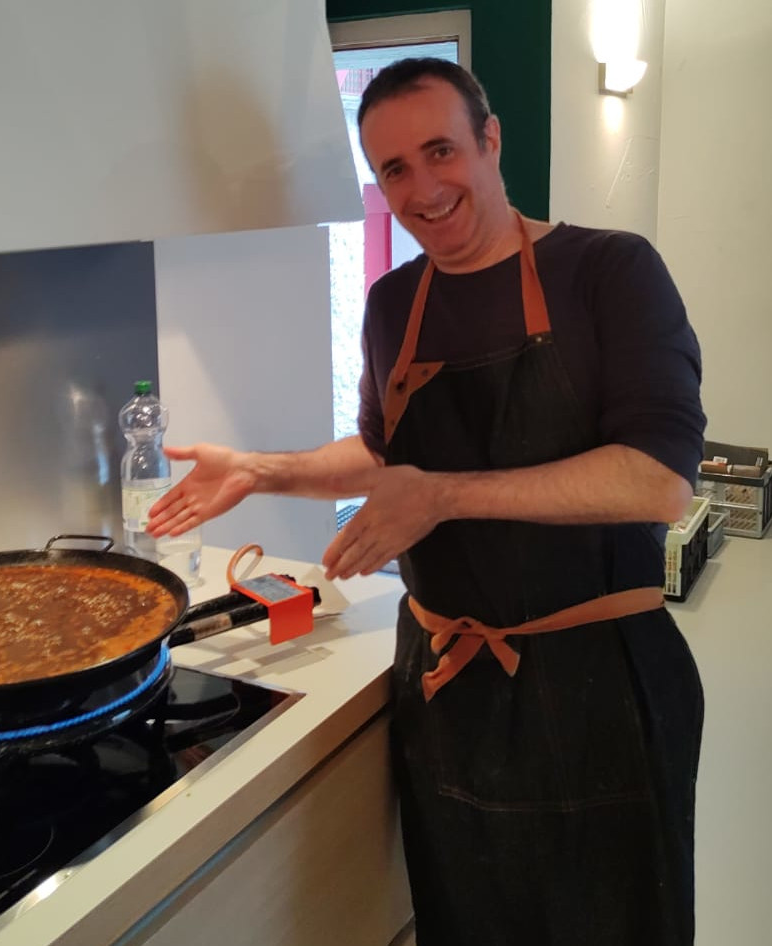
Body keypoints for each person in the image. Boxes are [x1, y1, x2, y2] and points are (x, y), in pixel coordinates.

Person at [147, 57, 705, 946]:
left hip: (601, 684)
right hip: (447, 686)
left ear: (490, 140)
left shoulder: (609, 270)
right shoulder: (393, 303)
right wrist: (261, 470)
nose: (421, 188)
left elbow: (658, 480)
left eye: (441, 150)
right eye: (393, 170)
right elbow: (382, 453)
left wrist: (441, 495)